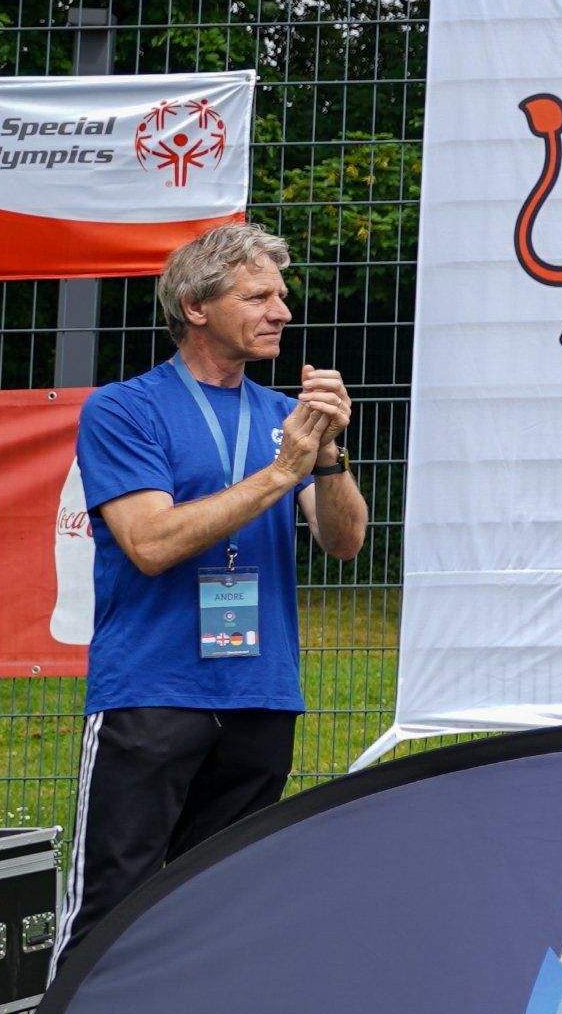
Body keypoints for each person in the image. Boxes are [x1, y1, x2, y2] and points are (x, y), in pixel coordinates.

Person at [60, 223, 366, 958]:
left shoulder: (280, 416)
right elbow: (153, 542)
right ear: (197, 307)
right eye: (257, 295)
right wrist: (279, 471)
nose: (282, 312)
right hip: (153, 690)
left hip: (260, 692)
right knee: (114, 903)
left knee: (225, 907)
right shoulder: (124, 409)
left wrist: (326, 456)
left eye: (282, 296)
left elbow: (345, 540)